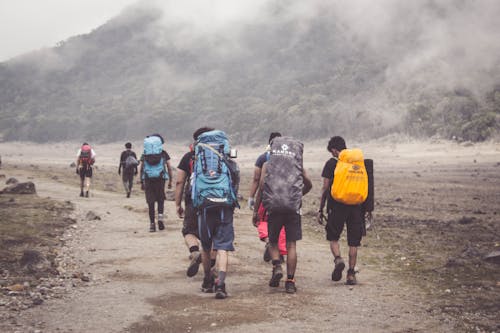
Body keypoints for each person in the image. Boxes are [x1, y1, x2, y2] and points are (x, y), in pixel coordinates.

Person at [253, 136, 312, 294]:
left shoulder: (267, 164)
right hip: (292, 208)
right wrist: (297, 196)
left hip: (274, 208)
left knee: (273, 242)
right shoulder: (296, 164)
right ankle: (290, 281)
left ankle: (277, 265)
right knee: (291, 245)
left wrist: (256, 210)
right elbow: (309, 183)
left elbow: (262, 186)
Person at [192, 128, 239, 299]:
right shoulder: (227, 158)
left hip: (204, 208)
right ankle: (221, 282)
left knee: (205, 247)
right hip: (224, 207)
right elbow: (236, 177)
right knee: (223, 247)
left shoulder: (198, 158)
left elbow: (193, 183)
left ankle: (207, 280)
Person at [317, 136, 363, 285]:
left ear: (335, 150)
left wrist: (321, 208)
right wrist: (368, 210)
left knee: (333, 237)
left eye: (332, 152)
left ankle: (338, 259)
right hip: (356, 206)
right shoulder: (357, 163)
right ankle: (351, 274)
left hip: (336, 206)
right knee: (353, 243)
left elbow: (325, 188)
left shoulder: (331, 164)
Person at [175, 127, 215, 278]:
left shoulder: (189, 156)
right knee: (214, 233)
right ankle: (210, 266)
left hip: (194, 199)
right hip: (217, 199)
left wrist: (177, 204)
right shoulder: (220, 154)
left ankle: (195, 251)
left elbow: (180, 181)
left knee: (189, 231)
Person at [248, 132, 287, 262]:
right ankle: (279, 251)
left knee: (263, 222)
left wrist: (251, 198)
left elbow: (256, 179)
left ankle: (270, 242)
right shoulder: (289, 158)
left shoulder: (263, 158)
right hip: (285, 198)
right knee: (281, 225)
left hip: (267, 199)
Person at [140, 134, 173, 232]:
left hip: (148, 179)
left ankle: (152, 224)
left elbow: (141, 168)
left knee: (150, 202)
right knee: (160, 200)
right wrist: (170, 180)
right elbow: (169, 167)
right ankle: (160, 219)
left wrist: (141, 181)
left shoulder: (145, 153)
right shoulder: (163, 153)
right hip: (160, 179)